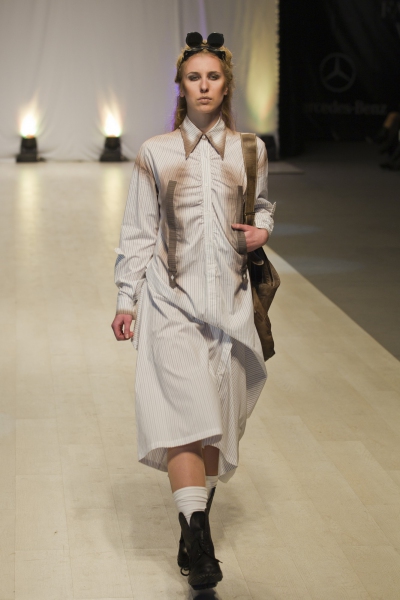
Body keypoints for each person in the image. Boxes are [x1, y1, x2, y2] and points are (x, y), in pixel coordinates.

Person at [111, 32, 275, 591]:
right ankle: (200, 542)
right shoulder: (155, 152)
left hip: (230, 304)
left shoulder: (249, 150)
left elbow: (262, 205)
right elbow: (138, 230)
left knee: (213, 425)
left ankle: (190, 529)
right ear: (180, 87)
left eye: (213, 77)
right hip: (170, 301)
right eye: (193, 77)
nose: (203, 86)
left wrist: (263, 229)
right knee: (186, 416)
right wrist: (127, 299)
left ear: (226, 85)